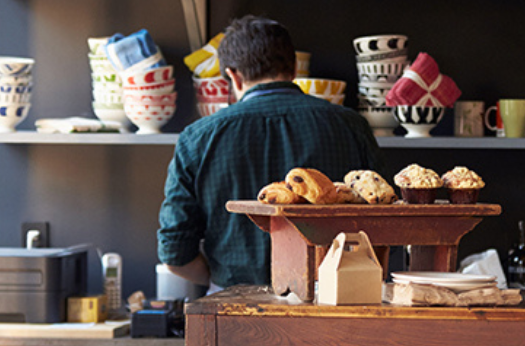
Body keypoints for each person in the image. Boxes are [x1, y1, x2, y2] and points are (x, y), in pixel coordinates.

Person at [158, 15, 384, 291]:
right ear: (294, 69)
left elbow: (174, 252)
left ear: (233, 76)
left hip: (234, 306)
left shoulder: (197, 138)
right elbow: (382, 224)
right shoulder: (351, 126)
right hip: (332, 300)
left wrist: (223, 281)